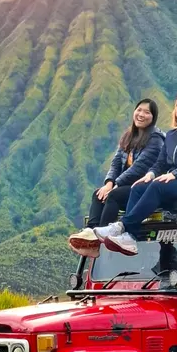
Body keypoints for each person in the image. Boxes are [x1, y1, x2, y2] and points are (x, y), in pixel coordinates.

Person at [93, 91, 177, 256]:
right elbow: (161, 162)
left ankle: (123, 227)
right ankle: (129, 237)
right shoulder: (171, 135)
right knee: (138, 187)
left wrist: (175, 174)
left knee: (158, 186)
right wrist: (150, 174)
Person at [68, 99, 164, 256]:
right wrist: (109, 183)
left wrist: (115, 185)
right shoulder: (128, 136)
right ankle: (91, 232)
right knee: (98, 194)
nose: (141, 114)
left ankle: (101, 236)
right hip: (125, 185)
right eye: (139, 110)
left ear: (153, 117)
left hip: (142, 190)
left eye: (147, 112)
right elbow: (115, 163)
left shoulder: (156, 139)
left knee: (113, 195)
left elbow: (140, 167)